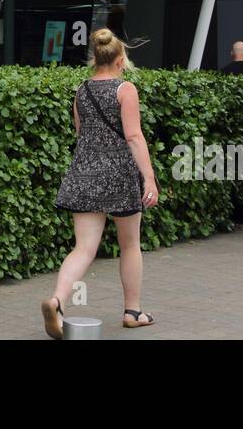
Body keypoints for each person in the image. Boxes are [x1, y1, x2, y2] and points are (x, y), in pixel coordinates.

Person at [43, 29, 160, 338]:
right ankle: (133, 312)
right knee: (130, 243)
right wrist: (148, 177)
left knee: (83, 248)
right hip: (120, 173)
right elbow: (133, 136)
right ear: (120, 60)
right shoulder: (125, 89)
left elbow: (80, 133)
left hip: (85, 171)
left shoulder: (82, 90)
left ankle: (57, 300)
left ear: (95, 58)